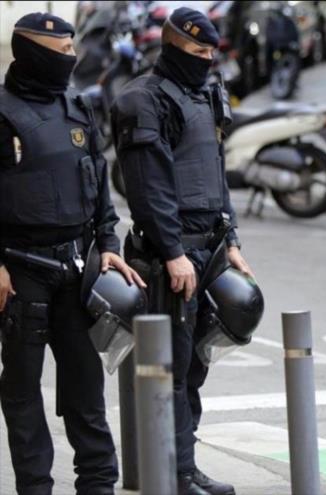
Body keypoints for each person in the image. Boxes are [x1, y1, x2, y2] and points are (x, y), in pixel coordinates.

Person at [0, 12, 144, 494]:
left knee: (86, 388)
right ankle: (36, 488)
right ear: (34, 52)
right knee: (22, 392)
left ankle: (98, 485)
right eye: (62, 52)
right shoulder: (2, 114)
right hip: (22, 270)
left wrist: (107, 244)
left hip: (78, 266)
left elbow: (99, 186)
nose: (72, 59)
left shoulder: (78, 107)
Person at [111, 8, 253, 495]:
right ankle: (174, 472)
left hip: (209, 249)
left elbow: (214, 172)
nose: (207, 60)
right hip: (172, 254)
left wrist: (231, 239)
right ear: (171, 47)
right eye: (197, 52)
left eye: (211, 52)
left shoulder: (203, 93)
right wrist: (172, 252)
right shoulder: (142, 100)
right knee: (168, 370)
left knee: (193, 367)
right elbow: (148, 189)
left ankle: (182, 463)